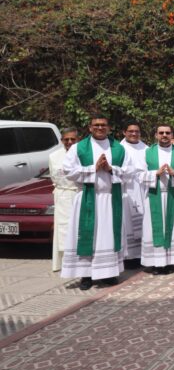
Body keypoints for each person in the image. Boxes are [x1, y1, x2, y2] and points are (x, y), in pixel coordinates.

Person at [61, 114, 131, 290]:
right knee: (88, 238)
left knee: (107, 237)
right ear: (90, 128)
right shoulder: (78, 148)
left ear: (109, 128)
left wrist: (109, 168)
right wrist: (94, 168)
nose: (100, 128)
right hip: (87, 197)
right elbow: (68, 171)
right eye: (96, 125)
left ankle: (109, 273)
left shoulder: (119, 149)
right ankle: (86, 275)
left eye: (103, 125)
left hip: (110, 198)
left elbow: (130, 172)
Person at [138, 125, 174, 274]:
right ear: (156, 135)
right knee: (154, 229)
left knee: (173, 230)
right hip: (154, 195)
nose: (164, 135)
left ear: (172, 135)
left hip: (173, 195)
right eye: (161, 133)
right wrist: (155, 173)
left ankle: (171, 262)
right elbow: (139, 175)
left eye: (167, 133)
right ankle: (156, 263)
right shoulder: (147, 152)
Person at [49, 127, 79, 272]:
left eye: (73, 139)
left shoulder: (83, 154)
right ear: (61, 140)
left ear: (77, 140)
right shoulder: (53, 156)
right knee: (62, 230)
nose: (69, 142)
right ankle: (63, 262)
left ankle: (78, 261)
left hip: (77, 193)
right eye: (66, 139)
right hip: (61, 196)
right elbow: (53, 178)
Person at [120, 121, 147, 266]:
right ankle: (129, 257)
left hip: (143, 189)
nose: (134, 134)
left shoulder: (146, 148)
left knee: (144, 221)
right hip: (127, 190)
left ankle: (143, 254)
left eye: (137, 131)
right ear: (124, 132)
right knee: (128, 223)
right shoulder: (119, 148)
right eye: (131, 131)